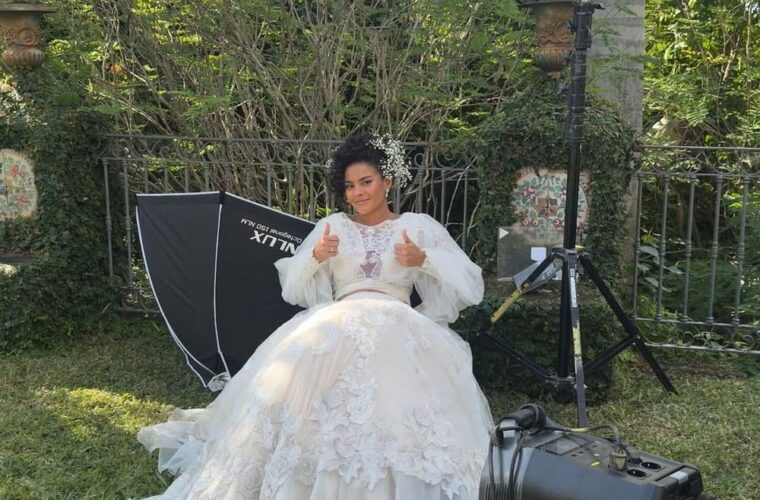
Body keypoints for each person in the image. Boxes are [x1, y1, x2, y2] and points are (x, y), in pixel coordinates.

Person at [137, 133, 493, 499]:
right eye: (349, 186)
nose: (358, 193)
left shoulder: (417, 226)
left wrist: (424, 260)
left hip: (397, 322)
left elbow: (470, 284)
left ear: (387, 181)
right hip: (338, 321)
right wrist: (316, 257)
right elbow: (293, 287)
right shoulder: (333, 225)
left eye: (366, 182)